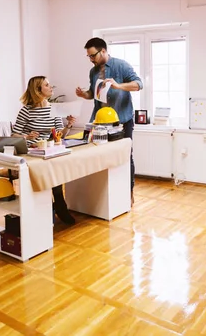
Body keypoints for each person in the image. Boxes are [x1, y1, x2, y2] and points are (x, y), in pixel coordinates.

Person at [75, 37, 143, 207]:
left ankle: (129, 192)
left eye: (93, 56)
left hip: (122, 121)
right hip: (100, 122)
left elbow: (139, 84)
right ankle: (106, 195)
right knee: (99, 155)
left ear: (103, 51)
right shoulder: (93, 72)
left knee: (126, 156)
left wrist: (119, 86)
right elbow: (93, 94)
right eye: (89, 57)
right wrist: (85, 95)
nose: (91, 59)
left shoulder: (122, 65)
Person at [12, 76, 77, 225]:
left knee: (55, 172)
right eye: (47, 85)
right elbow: (14, 134)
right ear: (37, 90)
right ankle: (51, 209)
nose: (51, 87)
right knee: (45, 174)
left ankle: (59, 207)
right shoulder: (26, 110)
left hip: (48, 149)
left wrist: (69, 125)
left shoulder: (54, 109)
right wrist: (26, 136)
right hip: (31, 151)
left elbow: (58, 136)